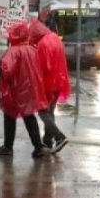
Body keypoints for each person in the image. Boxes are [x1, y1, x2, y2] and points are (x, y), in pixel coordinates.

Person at [0, 22, 52, 159]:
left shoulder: (13, 51)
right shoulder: (32, 49)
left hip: (15, 90)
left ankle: (8, 146)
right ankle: (38, 146)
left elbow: (6, 71)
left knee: (10, 116)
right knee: (29, 117)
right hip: (30, 89)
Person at [28, 19, 71, 152]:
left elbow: (43, 67)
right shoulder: (54, 38)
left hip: (48, 83)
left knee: (42, 112)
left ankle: (59, 136)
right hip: (59, 80)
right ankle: (47, 140)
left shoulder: (43, 43)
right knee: (50, 111)